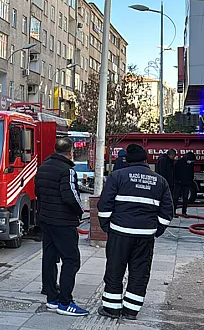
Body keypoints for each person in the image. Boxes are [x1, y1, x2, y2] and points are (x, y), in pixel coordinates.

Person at [97, 144, 173, 321]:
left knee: (115, 269)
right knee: (140, 271)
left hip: (120, 233)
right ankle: (131, 310)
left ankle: (111, 308)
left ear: (127, 160)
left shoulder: (117, 176)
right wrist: (156, 230)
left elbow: (104, 205)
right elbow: (167, 211)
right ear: (146, 160)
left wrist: (107, 226)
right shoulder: (160, 181)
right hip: (145, 236)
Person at [35, 137, 88, 316]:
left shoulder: (43, 167)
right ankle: (65, 302)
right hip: (63, 222)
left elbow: (38, 193)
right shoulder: (67, 171)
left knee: (49, 257)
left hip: (46, 219)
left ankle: (51, 297)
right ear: (70, 151)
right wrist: (80, 212)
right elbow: (71, 197)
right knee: (71, 260)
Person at [173, 152, 196, 218]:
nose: (191, 162)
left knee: (185, 199)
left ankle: (184, 212)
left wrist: (190, 181)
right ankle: (173, 212)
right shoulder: (178, 163)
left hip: (187, 184)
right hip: (178, 183)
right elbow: (174, 172)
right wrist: (177, 180)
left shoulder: (191, 164)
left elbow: (191, 173)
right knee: (176, 198)